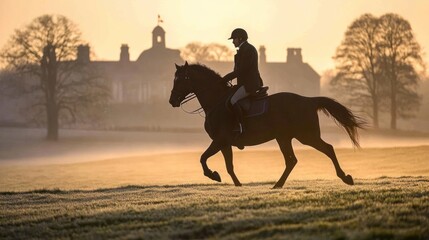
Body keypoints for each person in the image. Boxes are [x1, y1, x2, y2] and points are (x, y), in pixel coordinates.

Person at [223, 28, 264, 134]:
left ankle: (241, 126)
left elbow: (242, 70)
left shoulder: (248, 50)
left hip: (250, 84)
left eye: (234, 39)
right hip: (244, 83)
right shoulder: (243, 49)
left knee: (233, 101)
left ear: (240, 38)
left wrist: (225, 79)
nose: (233, 42)